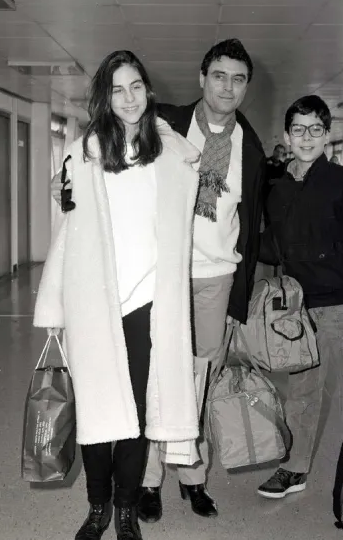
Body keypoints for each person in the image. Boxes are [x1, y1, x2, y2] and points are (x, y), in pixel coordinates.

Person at [51, 38, 265, 522]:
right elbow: (104, 157)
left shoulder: (249, 146)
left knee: (196, 383)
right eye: (219, 76)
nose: (227, 87)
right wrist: (66, 184)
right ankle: (146, 484)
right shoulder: (167, 123)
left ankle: (191, 476)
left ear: (247, 86)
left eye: (238, 79)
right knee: (148, 383)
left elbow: (251, 222)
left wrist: (242, 293)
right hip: (161, 277)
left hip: (213, 276)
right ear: (202, 79)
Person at [34, 50, 201, 540]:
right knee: (97, 409)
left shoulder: (171, 154)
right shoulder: (83, 154)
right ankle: (97, 507)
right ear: (104, 97)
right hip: (95, 302)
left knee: (138, 415)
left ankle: (126, 510)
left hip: (150, 303)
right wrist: (54, 305)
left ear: (148, 92)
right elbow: (65, 233)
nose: (128, 98)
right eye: (117, 89)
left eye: (136, 87)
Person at [258, 95, 343, 519]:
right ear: (286, 136)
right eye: (298, 129)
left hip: (342, 308)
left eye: (315, 129)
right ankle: (295, 469)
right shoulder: (278, 190)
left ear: (327, 134)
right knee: (301, 397)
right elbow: (272, 246)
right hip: (297, 312)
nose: (306, 137)